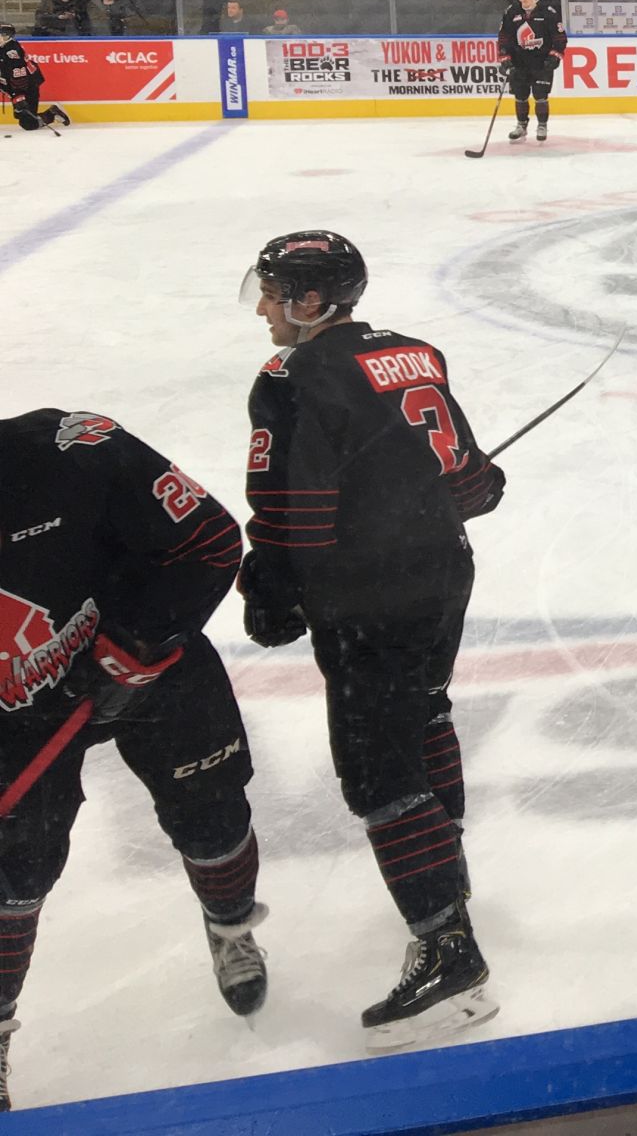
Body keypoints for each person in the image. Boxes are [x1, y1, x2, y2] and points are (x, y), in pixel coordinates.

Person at [238, 231, 506, 1046]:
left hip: (368, 593)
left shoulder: (291, 375)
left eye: (274, 290)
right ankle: (445, 875)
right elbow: (471, 481)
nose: (262, 306)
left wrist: (273, 588)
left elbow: (289, 504)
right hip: (444, 572)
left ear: (312, 301)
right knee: (425, 710)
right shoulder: (414, 351)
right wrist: (456, 490)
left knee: (374, 767)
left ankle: (448, 952)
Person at [0, 408, 269, 1103]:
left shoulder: (71, 448)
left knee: (212, 817)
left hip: (150, 660)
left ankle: (231, 923)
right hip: (21, 713)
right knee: (12, 878)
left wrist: (136, 645)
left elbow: (210, 540)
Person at [498, 0, 565, 143]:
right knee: (520, 95)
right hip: (519, 61)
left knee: (540, 95)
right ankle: (521, 125)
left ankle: (542, 125)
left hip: (541, 62)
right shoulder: (511, 11)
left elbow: (560, 38)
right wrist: (504, 57)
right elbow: (503, 37)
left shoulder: (549, 13)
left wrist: (555, 56)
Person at [1, 26, 69, 133]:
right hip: (18, 84)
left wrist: (18, 97)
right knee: (20, 114)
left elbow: (19, 77)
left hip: (29, 84)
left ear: (7, 37)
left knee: (28, 122)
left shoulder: (11, 51)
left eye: (2, 35)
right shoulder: (4, 47)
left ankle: (52, 113)